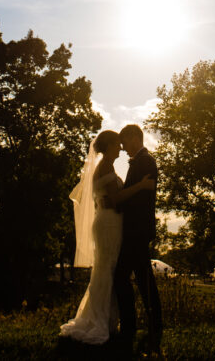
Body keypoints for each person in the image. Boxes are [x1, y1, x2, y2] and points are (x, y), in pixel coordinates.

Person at [60, 129, 154, 345]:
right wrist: (141, 185)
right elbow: (116, 198)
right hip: (109, 223)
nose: (121, 148)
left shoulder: (106, 166)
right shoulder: (105, 167)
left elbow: (112, 199)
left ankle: (108, 321)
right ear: (109, 146)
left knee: (109, 269)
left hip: (110, 221)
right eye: (117, 144)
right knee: (108, 269)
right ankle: (100, 321)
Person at [114, 124, 163, 355]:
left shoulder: (146, 162)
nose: (123, 148)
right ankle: (148, 327)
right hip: (136, 230)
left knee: (126, 278)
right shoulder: (140, 162)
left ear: (134, 138)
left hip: (138, 230)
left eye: (124, 142)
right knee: (142, 280)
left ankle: (133, 327)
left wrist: (119, 201)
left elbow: (141, 199)